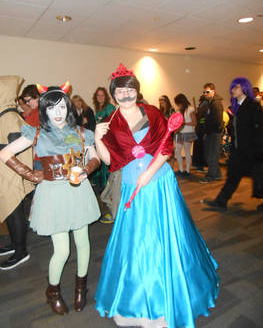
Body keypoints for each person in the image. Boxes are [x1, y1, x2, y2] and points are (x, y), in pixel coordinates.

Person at [94, 63, 219, 328]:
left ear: (136, 91)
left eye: (130, 90)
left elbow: (165, 149)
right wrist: (97, 138)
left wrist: (148, 175)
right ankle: (136, 302)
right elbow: (109, 161)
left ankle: (165, 301)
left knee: (163, 238)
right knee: (135, 243)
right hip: (131, 187)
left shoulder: (151, 112)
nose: (125, 95)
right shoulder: (111, 122)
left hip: (158, 184)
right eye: (120, 91)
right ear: (113, 93)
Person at [0, 82, 101, 314]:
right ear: (44, 109)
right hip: (53, 193)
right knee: (62, 250)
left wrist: (86, 169)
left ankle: (80, 289)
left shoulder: (81, 132)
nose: (58, 113)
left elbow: (93, 157)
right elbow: (5, 153)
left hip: (79, 190)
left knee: (83, 243)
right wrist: (31, 173)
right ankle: (52, 292)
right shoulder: (36, 132)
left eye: (61, 107)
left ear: (67, 107)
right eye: (51, 107)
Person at [204, 77, 263, 212]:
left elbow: (258, 131)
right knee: (233, 177)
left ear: (244, 88)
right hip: (239, 151)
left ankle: (221, 201)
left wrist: (258, 151)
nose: (232, 90)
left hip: (252, 151)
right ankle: (221, 201)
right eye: (232, 87)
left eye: (236, 87)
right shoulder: (237, 107)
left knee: (258, 177)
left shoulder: (253, 106)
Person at [0, 75, 34, 270]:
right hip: (6, 173)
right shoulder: (6, 115)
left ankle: (21, 252)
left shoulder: (10, 117)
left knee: (15, 213)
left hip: (10, 174)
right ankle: (15, 244)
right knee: (12, 212)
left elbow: (14, 148)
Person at [92, 87, 116, 223]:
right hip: (101, 141)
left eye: (102, 95)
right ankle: (109, 199)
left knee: (110, 170)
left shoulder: (109, 107)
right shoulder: (99, 109)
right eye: (98, 95)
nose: (100, 97)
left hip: (108, 142)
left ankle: (113, 203)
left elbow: (113, 124)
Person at [199, 83, 224, 183]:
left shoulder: (216, 104)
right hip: (211, 132)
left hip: (214, 133)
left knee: (211, 155)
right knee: (211, 154)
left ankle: (211, 176)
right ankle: (217, 174)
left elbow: (216, 120)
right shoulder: (210, 102)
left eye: (207, 92)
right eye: (204, 92)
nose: (205, 94)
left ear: (213, 91)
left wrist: (207, 129)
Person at [174, 93, 197, 177]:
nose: (177, 105)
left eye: (178, 102)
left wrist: (184, 123)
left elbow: (194, 122)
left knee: (187, 152)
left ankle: (187, 170)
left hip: (188, 133)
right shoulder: (178, 110)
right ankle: (181, 169)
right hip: (179, 133)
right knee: (177, 151)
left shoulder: (190, 109)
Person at [20, 84, 42, 170]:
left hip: (40, 158)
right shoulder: (33, 113)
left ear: (37, 96)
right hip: (34, 157)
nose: (27, 104)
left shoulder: (43, 112)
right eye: (25, 102)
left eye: (28, 100)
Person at [192, 94, 208, 172]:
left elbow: (200, 118)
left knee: (198, 147)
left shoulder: (201, 106)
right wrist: (204, 123)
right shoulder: (205, 106)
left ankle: (196, 164)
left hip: (199, 129)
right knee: (201, 149)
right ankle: (200, 166)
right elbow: (202, 119)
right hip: (201, 130)